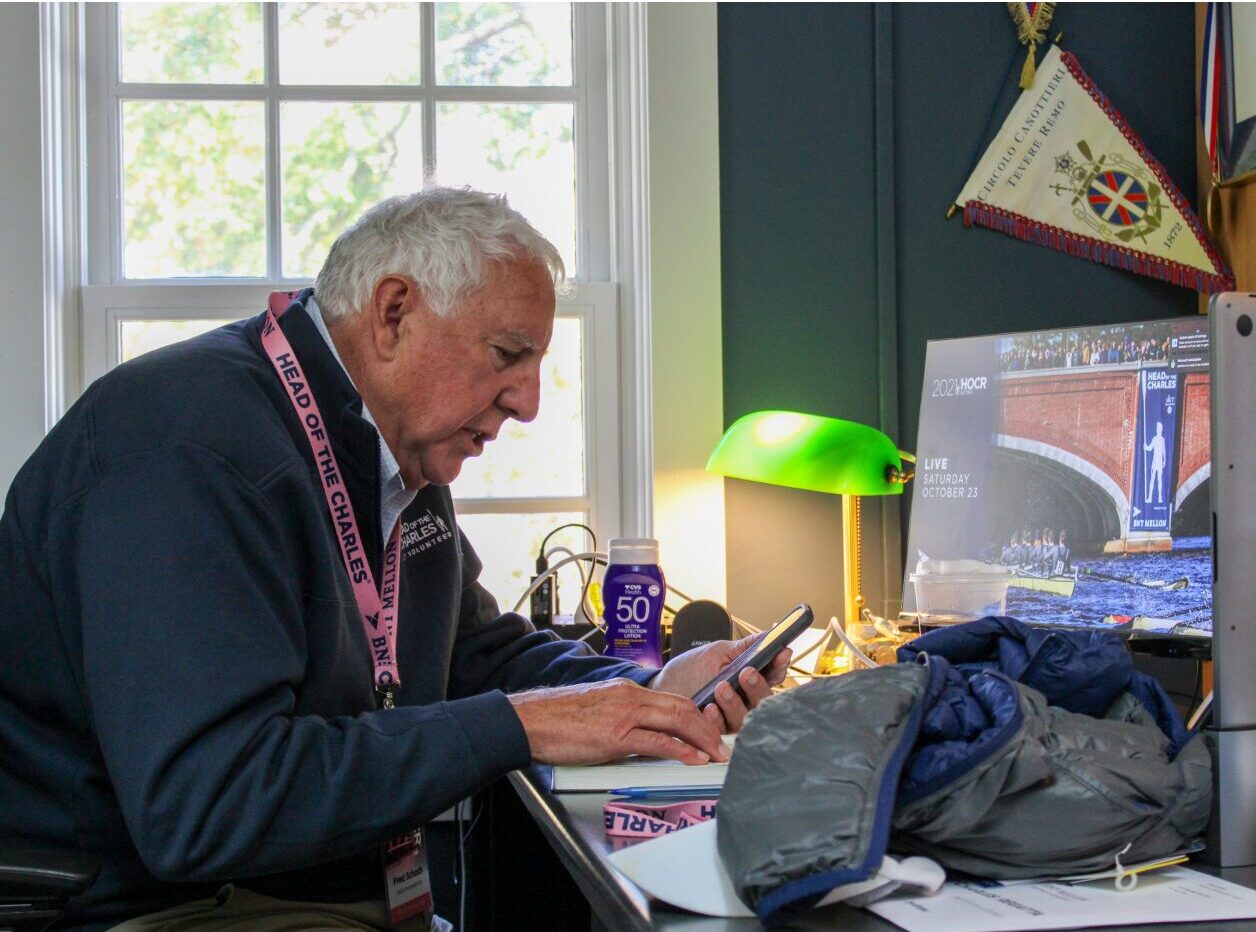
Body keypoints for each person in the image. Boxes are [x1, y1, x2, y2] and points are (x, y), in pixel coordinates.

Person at [0, 188, 790, 932]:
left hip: (311, 891)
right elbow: (210, 808)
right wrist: (516, 726)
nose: (528, 402)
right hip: (169, 906)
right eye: (508, 354)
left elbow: (475, 654)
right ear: (394, 313)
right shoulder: (186, 453)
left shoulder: (390, 453)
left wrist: (646, 688)